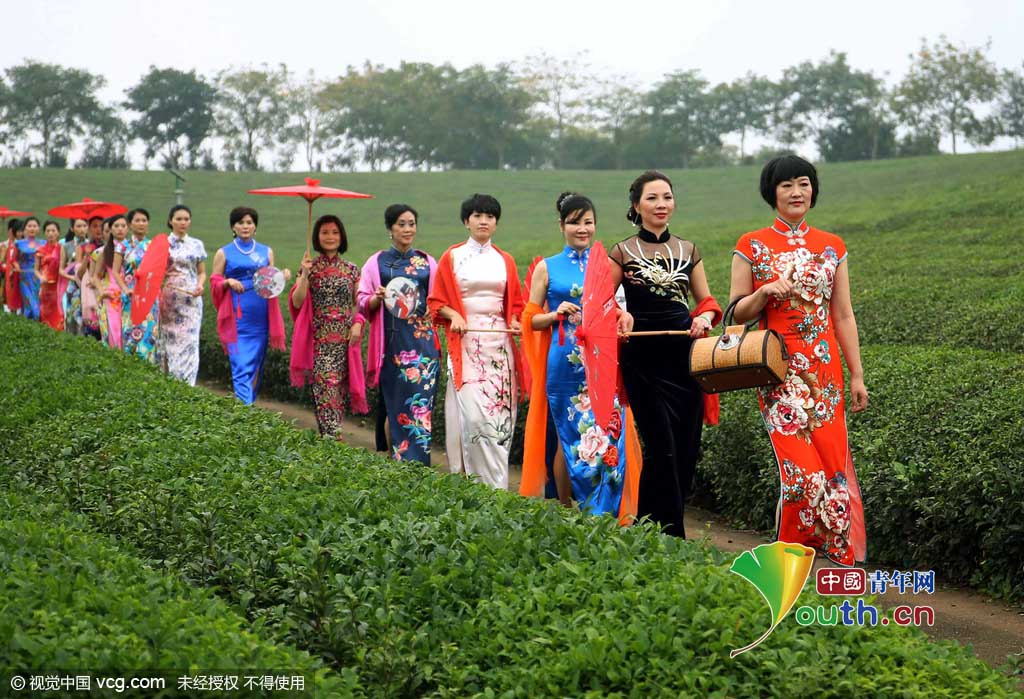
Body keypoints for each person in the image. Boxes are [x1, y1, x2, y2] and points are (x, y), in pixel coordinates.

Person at [729, 154, 867, 566]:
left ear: (813, 189)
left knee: (831, 475)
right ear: (772, 192)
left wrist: (857, 374)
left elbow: (842, 314)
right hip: (779, 373)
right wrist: (764, 292)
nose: (796, 192)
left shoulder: (833, 246)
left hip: (826, 376)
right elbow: (736, 312)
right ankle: (789, 557)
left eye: (803, 183)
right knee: (801, 479)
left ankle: (827, 559)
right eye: (786, 184)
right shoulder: (750, 245)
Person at [609, 171, 723, 538]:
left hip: (683, 354)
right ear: (636, 206)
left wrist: (704, 318)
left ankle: (650, 529)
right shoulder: (622, 251)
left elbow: (705, 301)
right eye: (652, 198)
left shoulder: (689, 250)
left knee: (687, 448)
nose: (661, 204)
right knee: (661, 446)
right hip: (641, 357)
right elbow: (600, 301)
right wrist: (619, 312)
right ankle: (668, 536)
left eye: (667, 197)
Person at [520, 192, 642, 520]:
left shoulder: (606, 265)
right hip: (565, 364)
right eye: (575, 222)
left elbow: (613, 309)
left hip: (602, 363)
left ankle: (605, 510)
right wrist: (555, 313)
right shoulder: (547, 267)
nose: (582, 229)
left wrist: (623, 317)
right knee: (567, 434)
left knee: (608, 430)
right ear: (561, 225)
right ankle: (564, 508)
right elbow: (530, 319)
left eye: (588, 222)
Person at [427, 193, 528, 490]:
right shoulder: (452, 256)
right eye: (477, 216)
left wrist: (514, 321)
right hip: (465, 344)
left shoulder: (505, 260)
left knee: (500, 419)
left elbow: (516, 305)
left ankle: (498, 487)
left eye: (490, 216)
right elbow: (435, 302)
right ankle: (472, 485)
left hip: (500, 346)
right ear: (466, 221)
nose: (484, 221)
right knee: (473, 418)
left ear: (496, 223)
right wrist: (453, 314)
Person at [357, 204, 439, 464]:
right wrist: (376, 298)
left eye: (411, 223)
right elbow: (361, 300)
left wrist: (434, 310)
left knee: (421, 410)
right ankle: (397, 463)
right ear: (390, 229)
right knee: (395, 409)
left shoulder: (427, 261)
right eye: (401, 224)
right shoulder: (377, 262)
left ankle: (420, 468)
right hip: (391, 346)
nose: (407, 229)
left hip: (424, 347)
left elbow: (439, 300)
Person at [289, 214, 365, 440]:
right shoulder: (310, 268)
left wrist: (358, 324)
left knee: (338, 395)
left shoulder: (352, 269)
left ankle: (328, 444)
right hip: (319, 344)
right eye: (324, 232)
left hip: (344, 344)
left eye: (334, 232)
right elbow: (297, 302)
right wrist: (304, 274)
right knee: (326, 393)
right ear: (317, 237)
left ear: (341, 236)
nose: (330, 237)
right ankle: (334, 441)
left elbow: (359, 304)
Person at [210, 207, 287, 404]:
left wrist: (282, 275)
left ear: (255, 226)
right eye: (240, 222)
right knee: (240, 366)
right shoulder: (223, 252)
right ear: (233, 227)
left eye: (249, 222)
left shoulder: (266, 251)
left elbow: (271, 282)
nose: (245, 226)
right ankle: (245, 412)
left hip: (261, 316)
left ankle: (247, 410)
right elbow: (215, 281)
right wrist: (227, 282)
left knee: (255, 366)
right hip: (237, 317)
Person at [158, 205, 207, 385]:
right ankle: (172, 379)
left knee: (190, 342)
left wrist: (200, 285)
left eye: (186, 219)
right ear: (171, 221)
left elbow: (201, 272)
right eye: (179, 219)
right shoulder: (163, 244)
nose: (183, 222)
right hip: (170, 301)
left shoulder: (197, 244)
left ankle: (187, 384)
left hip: (192, 300)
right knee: (169, 342)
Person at [114, 208, 160, 361]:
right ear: (130, 224)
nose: (141, 224)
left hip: (150, 297)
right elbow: (115, 272)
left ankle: (149, 369)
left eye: (144, 221)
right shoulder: (122, 246)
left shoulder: (154, 245)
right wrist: (125, 289)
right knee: (131, 335)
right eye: (137, 220)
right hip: (130, 296)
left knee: (149, 334)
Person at [92, 215, 129, 348]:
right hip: (111, 296)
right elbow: (95, 276)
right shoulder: (105, 251)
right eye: (116, 226)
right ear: (110, 230)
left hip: (128, 295)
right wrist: (102, 291)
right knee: (114, 333)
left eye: (123, 226)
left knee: (128, 333)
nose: (120, 229)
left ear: (128, 228)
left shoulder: (133, 250)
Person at [34, 220, 66, 331]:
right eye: (48, 231)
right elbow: (36, 270)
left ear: (58, 233)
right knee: (45, 315)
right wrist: (41, 277)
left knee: (59, 315)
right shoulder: (40, 250)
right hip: (45, 288)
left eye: (53, 230)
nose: (50, 233)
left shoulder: (62, 248)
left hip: (59, 287)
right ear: (44, 233)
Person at [77, 216, 105, 339]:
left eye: (101, 226)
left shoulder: (109, 247)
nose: (98, 229)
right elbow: (79, 274)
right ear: (89, 229)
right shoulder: (82, 247)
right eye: (94, 226)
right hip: (89, 288)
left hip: (104, 287)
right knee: (92, 324)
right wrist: (86, 257)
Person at [62, 218, 88, 335]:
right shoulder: (66, 246)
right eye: (78, 226)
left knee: (87, 315)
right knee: (73, 314)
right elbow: (60, 270)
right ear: (72, 228)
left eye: (84, 225)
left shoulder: (91, 245)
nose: (82, 229)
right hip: (73, 286)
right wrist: (72, 278)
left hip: (87, 284)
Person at [15, 217, 44, 321]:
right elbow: (13, 259)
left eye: (34, 226)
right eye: (29, 226)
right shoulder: (18, 244)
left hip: (38, 277)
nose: (32, 228)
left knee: (38, 301)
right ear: (25, 228)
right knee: (29, 303)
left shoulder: (44, 243)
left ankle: (37, 326)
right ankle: (29, 323)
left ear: (38, 228)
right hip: (24, 277)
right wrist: (16, 266)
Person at [3, 219, 23, 314]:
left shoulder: (28, 245)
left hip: (25, 276)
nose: (21, 233)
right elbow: (9, 260)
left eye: (22, 230)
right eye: (19, 231)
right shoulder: (9, 246)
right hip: (12, 276)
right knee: (12, 298)